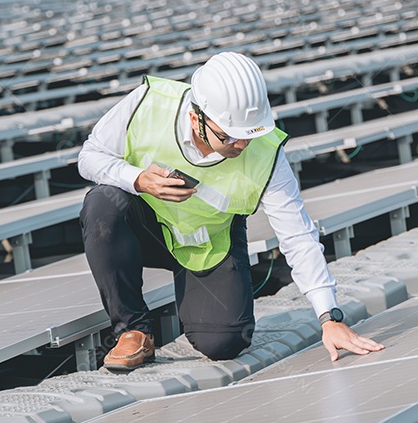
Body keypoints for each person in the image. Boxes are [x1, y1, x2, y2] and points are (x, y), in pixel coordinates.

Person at [78, 51, 384, 371]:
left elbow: (297, 234)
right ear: (196, 118)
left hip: (208, 242)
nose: (240, 146)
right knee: (103, 203)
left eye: (249, 136)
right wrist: (136, 179)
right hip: (144, 233)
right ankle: (132, 330)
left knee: (224, 343)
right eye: (229, 136)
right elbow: (90, 157)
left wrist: (329, 316)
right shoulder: (148, 103)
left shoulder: (266, 154)